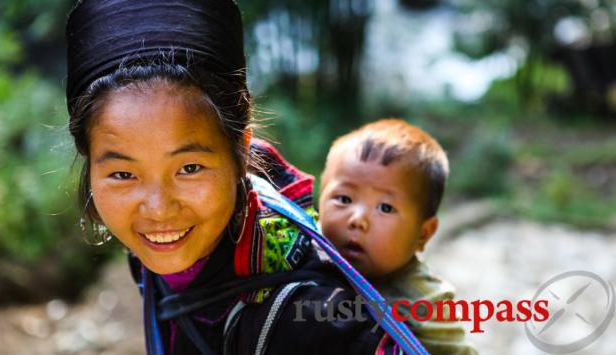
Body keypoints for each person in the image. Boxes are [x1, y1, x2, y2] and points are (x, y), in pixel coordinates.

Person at [65, 1, 427, 354]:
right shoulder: (159, 261)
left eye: (189, 168)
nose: (159, 209)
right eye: (124, 174)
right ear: (91, 165)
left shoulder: (312, 324)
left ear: (241, 152)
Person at [319, 119, 478, 354]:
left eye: (385, 208)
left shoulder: (423, 301)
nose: (358, 219)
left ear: (423, 234)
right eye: (344, 199)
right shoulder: (302, 244)